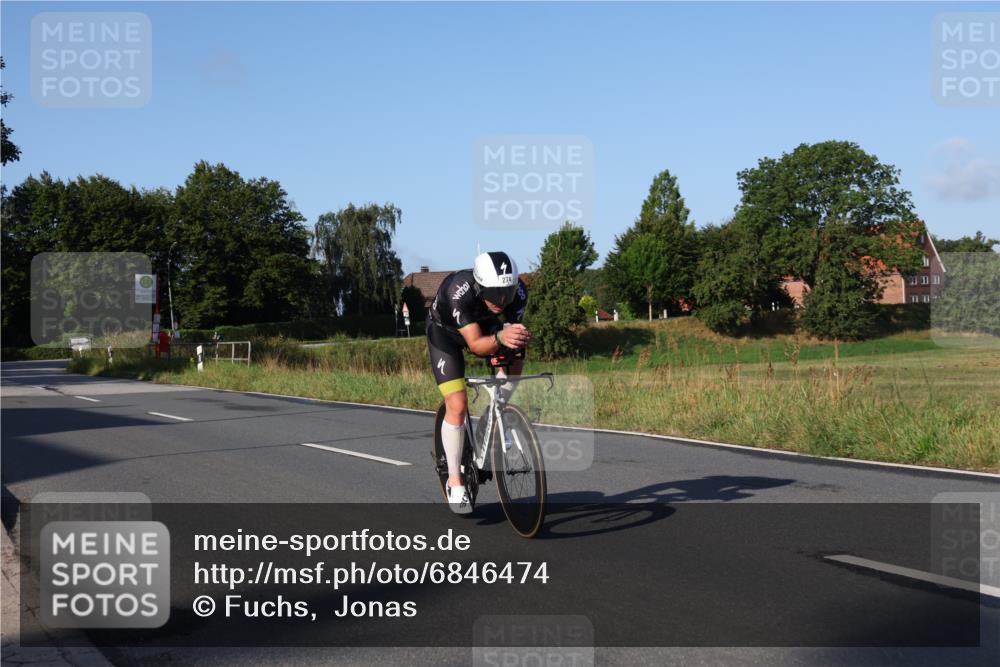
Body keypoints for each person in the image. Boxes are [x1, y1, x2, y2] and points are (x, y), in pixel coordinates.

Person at [427, 251, 531, 513]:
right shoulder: (458, 292)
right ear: (480, 286)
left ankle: (496, 416)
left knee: (517, 350)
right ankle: (455, 481)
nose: (502, 300)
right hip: (446, 336)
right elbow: (475, 345)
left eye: (507, 292)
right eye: (495, 294)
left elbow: (509, 336)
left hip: (486, 329)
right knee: (458, 404)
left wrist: (511, 341)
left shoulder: (518, 292)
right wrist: (500, 339)